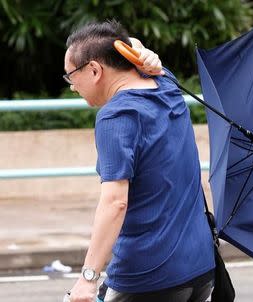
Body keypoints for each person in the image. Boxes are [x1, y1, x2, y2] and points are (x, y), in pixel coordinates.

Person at [63, 20, 215, 302]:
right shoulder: (166, 82)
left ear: (95, 70)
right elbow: (130, 45)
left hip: (147, 277)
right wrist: (141, 50)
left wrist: (88, 278)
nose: (72, 86)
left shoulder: (116, 116)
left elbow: (115, 202)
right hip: (200, 268)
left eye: (71, 75)